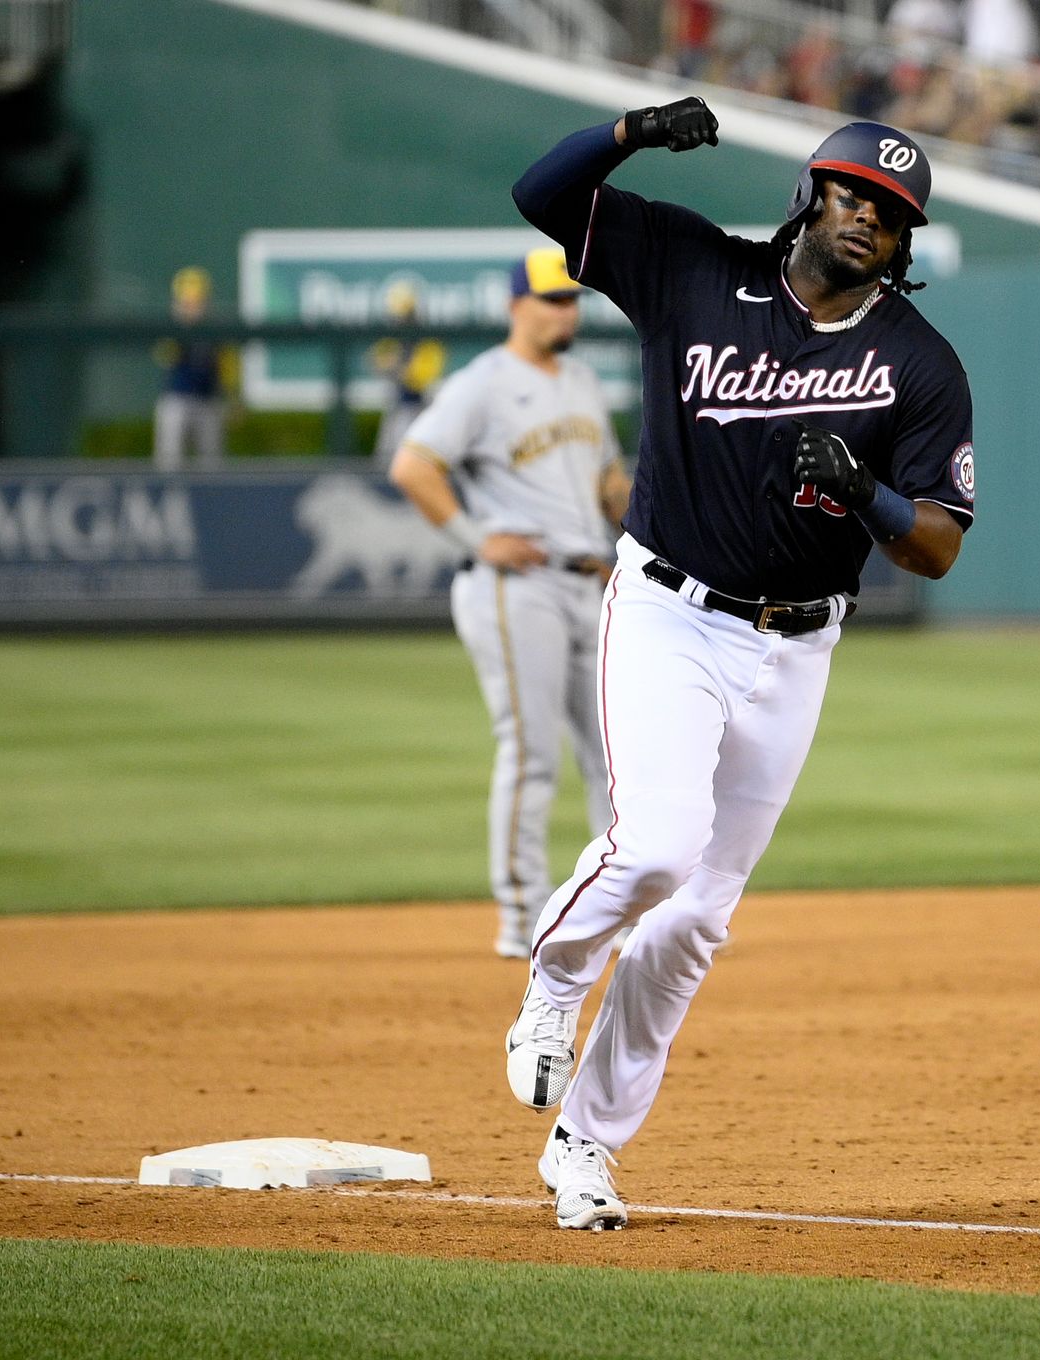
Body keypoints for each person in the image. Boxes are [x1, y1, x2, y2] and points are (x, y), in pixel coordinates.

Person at [503, 102, 976, 1230]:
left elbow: (940, 544)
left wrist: (867, 491)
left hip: (800, 641)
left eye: (890, 211)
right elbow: (539, 197)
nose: (866, 217)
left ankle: (586, 1149)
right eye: (852, 193)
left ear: (905, 242)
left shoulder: (917, 362)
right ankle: (556, 978)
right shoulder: (692, 268)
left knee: (694, 919)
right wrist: (624, 133)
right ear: (813, 195)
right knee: (657, 844)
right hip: (670, 611)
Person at [386, 247, 628, 960]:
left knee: (617, 760)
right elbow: (412, 463)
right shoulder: (483, 383)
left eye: (571, 299)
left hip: (591, 579)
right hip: (517, 587)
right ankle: (523, 921)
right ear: (514, 306)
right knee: (532, 755)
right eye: (550, 299)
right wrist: (473, 535)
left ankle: (627, 912)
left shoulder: (581, 379)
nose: (564, 310)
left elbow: (609, 480)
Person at [152, 267, 232, 469]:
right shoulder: (173, 328)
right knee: (169, 460)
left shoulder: (215, 330)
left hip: (208, 400)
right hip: (177, 397)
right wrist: (182, 330)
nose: (193, 307)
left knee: (211, 462)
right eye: (188, 302)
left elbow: (227, 364)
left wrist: (232, 396)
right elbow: (164, 356)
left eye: (198, 302)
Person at [369, 280, 447, 465]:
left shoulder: (427, 339)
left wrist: (401, 370)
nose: (401, 322)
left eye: (405, 316)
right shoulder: (392, 338)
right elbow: (377, 360)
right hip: (396, 406)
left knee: (421, 457)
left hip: (420, 406)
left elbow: (423, 376)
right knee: (387, 457)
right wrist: (394, 367)